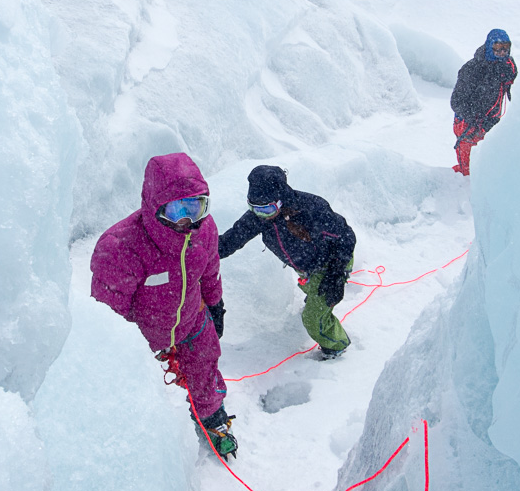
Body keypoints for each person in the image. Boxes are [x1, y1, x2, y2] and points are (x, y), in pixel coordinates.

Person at [90, 153, 237, 459]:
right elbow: (106, 317)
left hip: (191, 320)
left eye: (196, 207)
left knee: (205, 366)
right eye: (177, 209)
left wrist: (215, 303)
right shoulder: (120, 247)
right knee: (132, 390)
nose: (188, 220)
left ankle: (211, 417)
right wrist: (121, 355)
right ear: (155, 206)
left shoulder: (205, 231)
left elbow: (210, 270)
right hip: (144, 336)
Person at [218, 165, 355, 359]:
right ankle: (314, 296)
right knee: (313, 292)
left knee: (313, 319)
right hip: (307, 267)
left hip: (333, 263)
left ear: (280, 200)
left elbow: (346, 237)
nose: (262, 214)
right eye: (255, 208)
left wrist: (336, 274)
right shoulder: (259, 218)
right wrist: (198, 254)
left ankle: (336, 346)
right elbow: (229, 242)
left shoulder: (311, 209)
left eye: (267, 209)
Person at [450, 28, 518, 176]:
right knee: (469, 171)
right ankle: (456, 183)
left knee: (491, 168)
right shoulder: (472, 69)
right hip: (468, 124)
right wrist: (475, 118)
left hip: (491, 122)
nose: (502, 52)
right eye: (497, 48)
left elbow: (516, 88)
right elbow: (456, 101)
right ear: (489, 46)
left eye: (505, 47)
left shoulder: (508, 66)